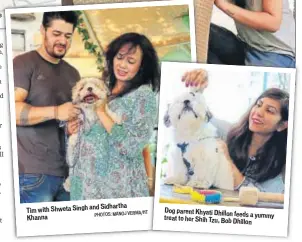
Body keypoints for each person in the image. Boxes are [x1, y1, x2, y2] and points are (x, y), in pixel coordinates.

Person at [67, 32, 208, 200]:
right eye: (119, 57)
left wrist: (102, 112)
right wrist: (74, 129)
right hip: (84, 185)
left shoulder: (143, 95)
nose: (122, 65)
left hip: (117, 191)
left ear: (141, 66)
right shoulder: (102, 89)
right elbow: (88, 135)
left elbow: (132, 146)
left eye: (131, 61)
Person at [14, 11, 81, 203]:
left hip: (66, 173)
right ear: (43, 30)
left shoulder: (73, 73)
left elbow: (67, 121)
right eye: (57, 34)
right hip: (32, 173)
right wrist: (56, 111)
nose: (62, 41)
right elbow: (11, 111)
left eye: (68, 36)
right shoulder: (23, 63)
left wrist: (70, 127)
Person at [218, 88, 289, 193]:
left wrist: (227, 162)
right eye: (259, 105)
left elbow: (262, 197)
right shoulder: (228, 133)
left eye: (269, 110)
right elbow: (203, 117)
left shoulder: (282, 164)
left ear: (281, 125)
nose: (258, 112)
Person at [208, 0, 295, 68]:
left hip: (278, 53)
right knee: (200, 37)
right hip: (247, 46)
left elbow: (273, 23)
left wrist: (224, 5)